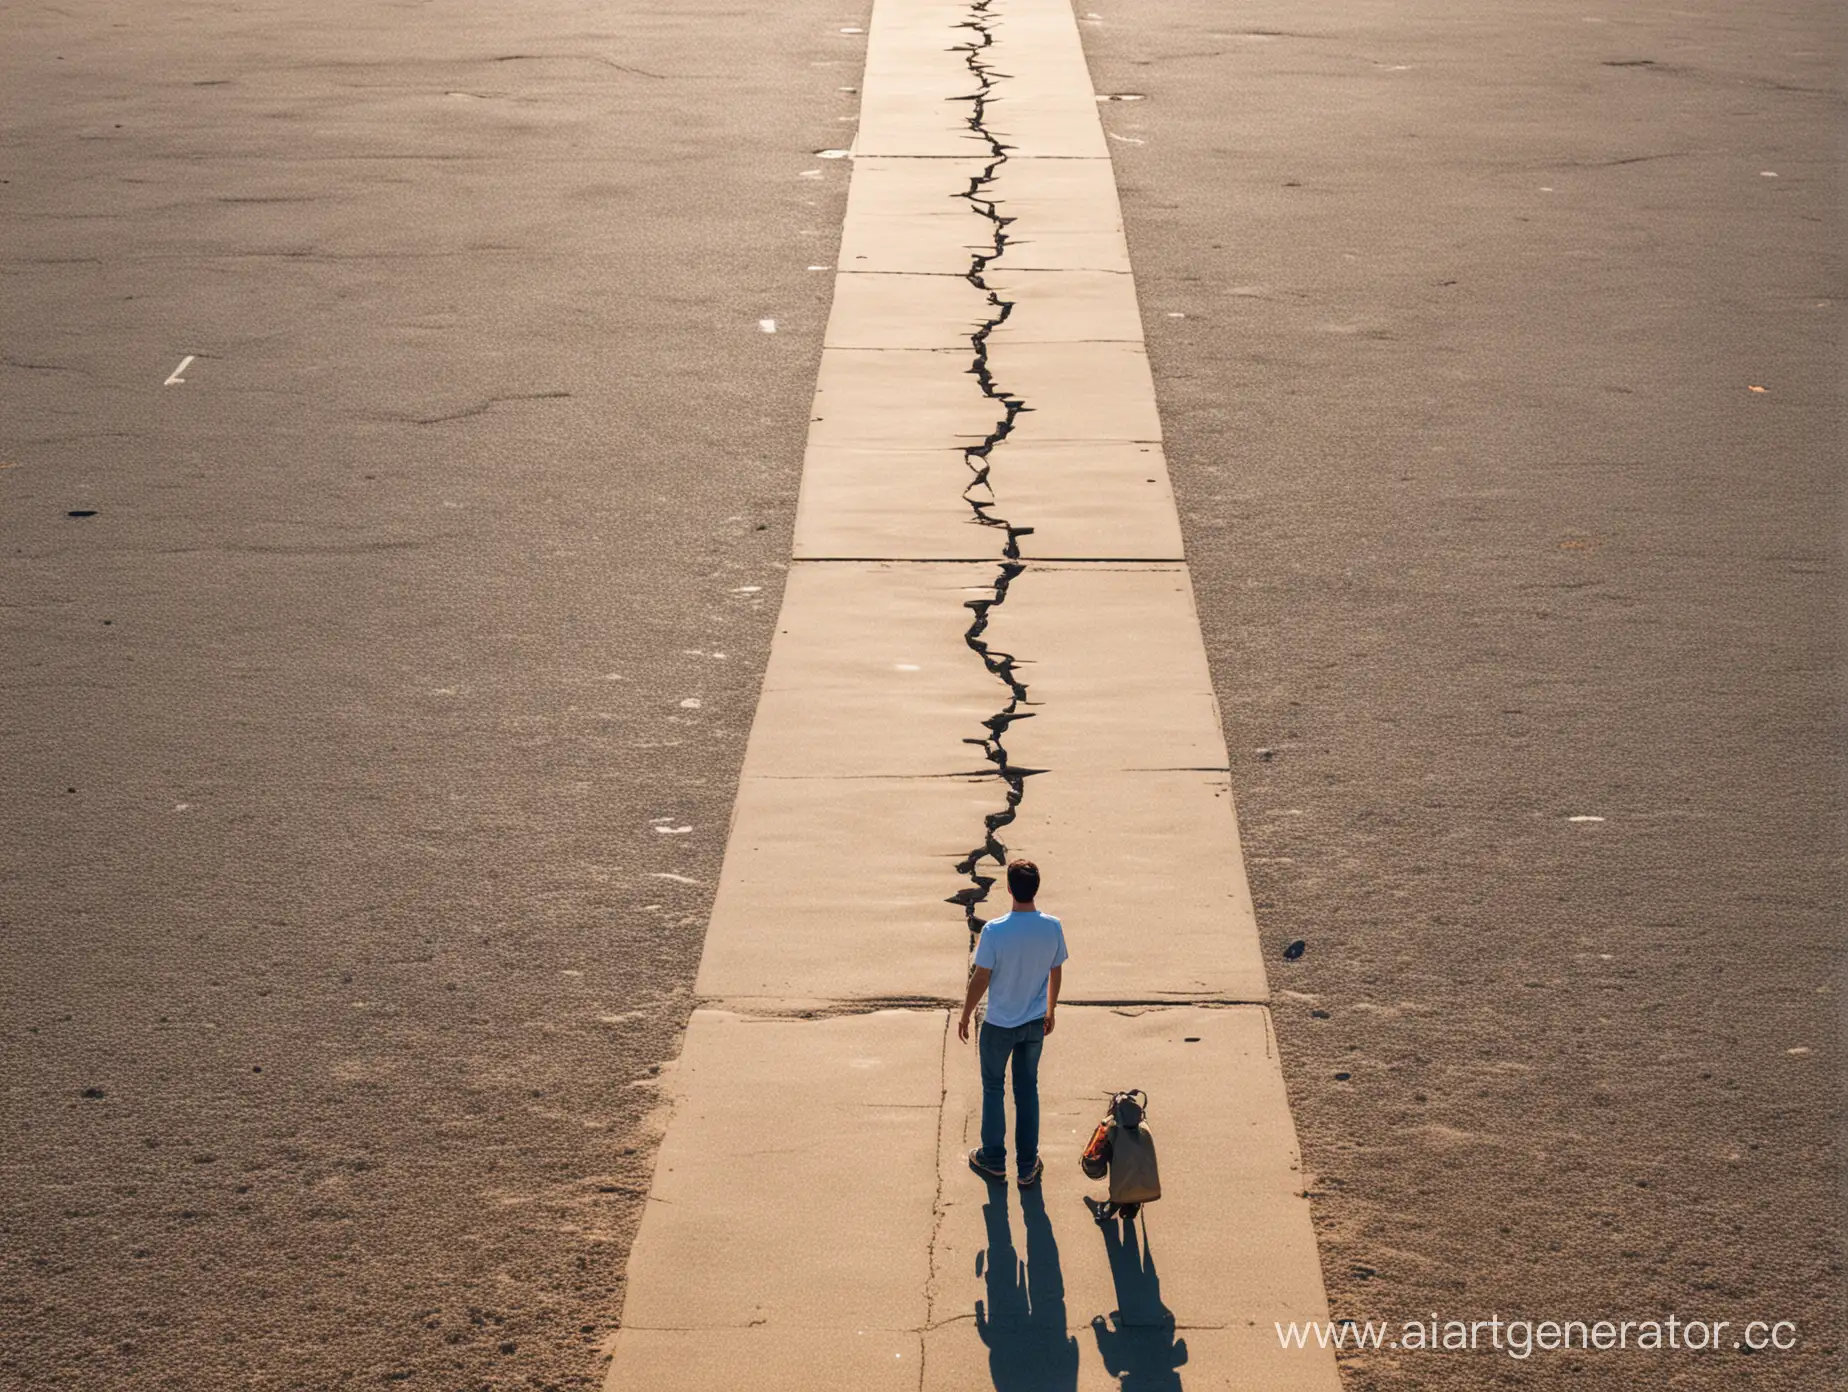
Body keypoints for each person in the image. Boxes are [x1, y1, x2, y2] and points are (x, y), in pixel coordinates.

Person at [959, 858, 1068, 1187]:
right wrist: (1051, 1009)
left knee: (993, 1088)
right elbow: (1056, 970)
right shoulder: (1052, 927)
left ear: (1008, 889)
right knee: (1026, 1090)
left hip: (998, 1025)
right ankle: (1026, 1165)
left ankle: (993, 1158)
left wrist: (965, 1014)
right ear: (1036, 887)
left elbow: (981, 978)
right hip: (1034, 1023)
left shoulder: (994, 931)